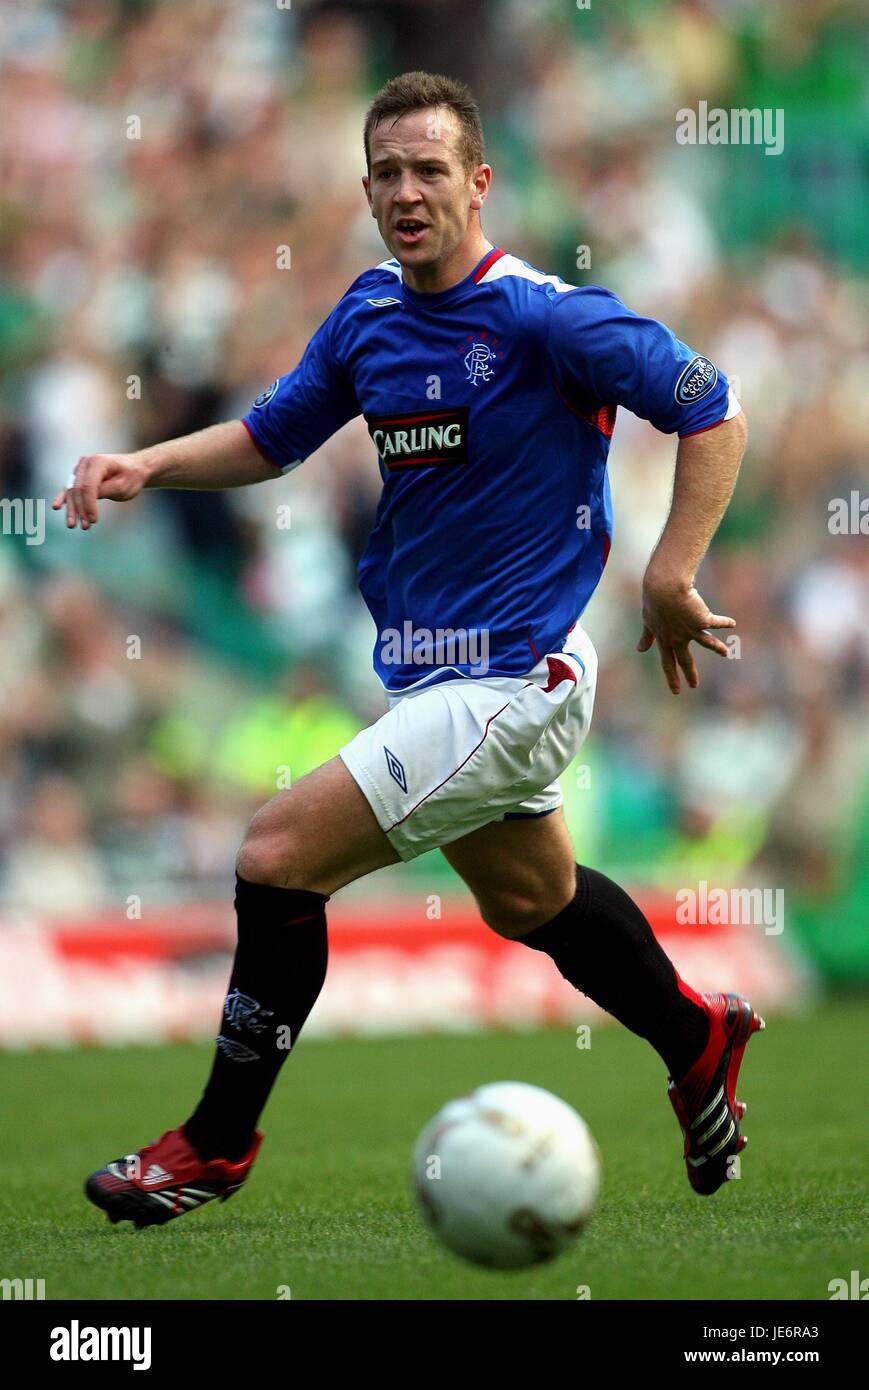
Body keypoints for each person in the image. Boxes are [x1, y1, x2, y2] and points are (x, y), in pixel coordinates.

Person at [54, 71, 761, 1231]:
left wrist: (670, 570)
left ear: (478, 183)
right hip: (436, 676)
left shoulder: (546, 315)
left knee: (276, 852)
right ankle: (696, 1035)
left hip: (513, 678)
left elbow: (712, 407)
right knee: (533, 901)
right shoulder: (369, 313)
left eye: (429, 169)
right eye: (385, 172)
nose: (405, 191)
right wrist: (149, 462)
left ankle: (215, 1146)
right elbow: (275, 435)